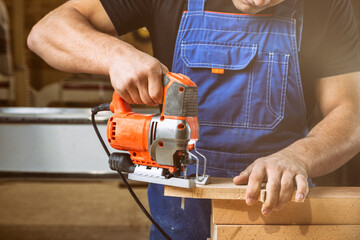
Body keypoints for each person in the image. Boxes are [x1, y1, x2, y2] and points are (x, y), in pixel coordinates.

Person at [27, 0, 360, 239]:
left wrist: (299, 157)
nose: (259, 1)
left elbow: (351, 112)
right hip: (180, 196)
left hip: (279, 194)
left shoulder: (329, 5)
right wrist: (115, 54)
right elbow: (46, 32)